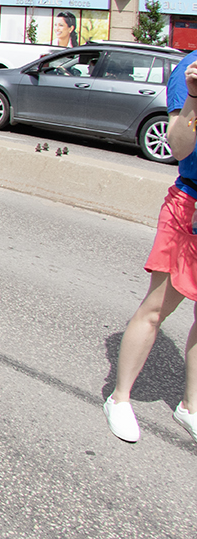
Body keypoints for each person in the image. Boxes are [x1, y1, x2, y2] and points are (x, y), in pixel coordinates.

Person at [104, 53, 197, 445]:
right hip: (190, 207)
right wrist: (194, 96)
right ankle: (119, 397)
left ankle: (190, 406)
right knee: (158, 305)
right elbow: (178, 147)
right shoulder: (191, 68)